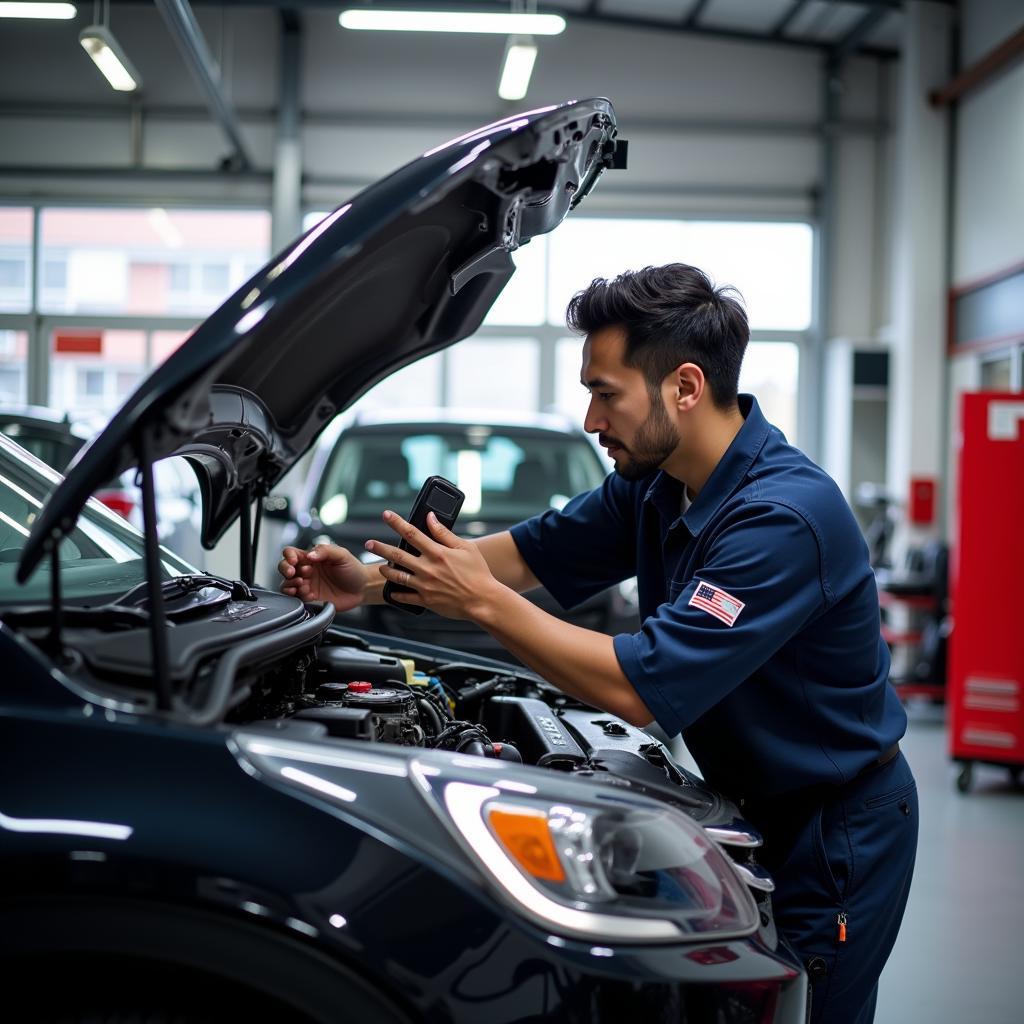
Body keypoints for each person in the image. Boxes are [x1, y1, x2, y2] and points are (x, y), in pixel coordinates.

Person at [279, 263, 917, 1024]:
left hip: (834, 828)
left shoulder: (783, 519)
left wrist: (480, 604)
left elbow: (636, 688)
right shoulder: (657, 482)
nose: (590, 419)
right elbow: (528, 553)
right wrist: (370, 584)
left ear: (684, 386)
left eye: (605, 393)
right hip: (753, 800)